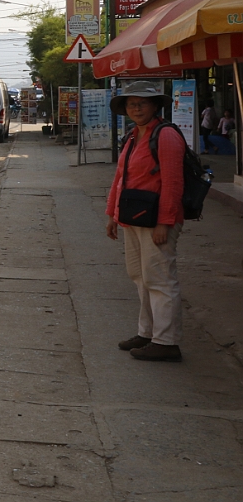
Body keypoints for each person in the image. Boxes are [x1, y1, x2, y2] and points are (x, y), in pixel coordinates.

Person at [105, 81, 185, 363]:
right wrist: (113, 216)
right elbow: (121, 178)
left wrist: (165, 222)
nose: (136, 108)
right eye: (131, 104)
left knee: (160, 280)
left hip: (155, 221)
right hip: (132, 217)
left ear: (155, 106)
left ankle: (167, 342)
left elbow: (174, 182)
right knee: (140, 278)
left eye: (142, 103)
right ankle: (147, 333)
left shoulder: (165, 136)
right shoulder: (132, 136)